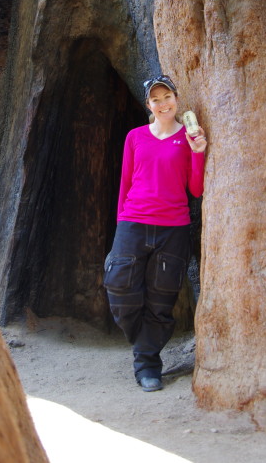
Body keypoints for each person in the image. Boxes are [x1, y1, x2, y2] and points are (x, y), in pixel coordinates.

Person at [103, 74, 207, 392]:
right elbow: (125, 182)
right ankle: (142, 342)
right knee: (119, 285)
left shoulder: (188, 138)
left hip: (173, 228)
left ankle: (147, 365)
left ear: (177, 99)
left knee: (162, 300)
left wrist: (199, 151)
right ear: (148, 105)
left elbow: (195, 189)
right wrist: (121, 223)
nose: (163, 104)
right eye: (155, 100)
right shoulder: (135, 137)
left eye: (167, 97)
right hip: (133, 221)